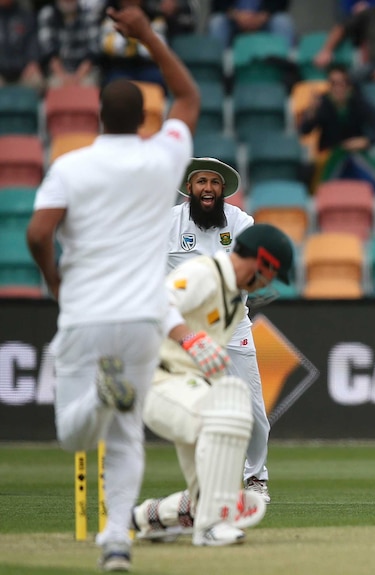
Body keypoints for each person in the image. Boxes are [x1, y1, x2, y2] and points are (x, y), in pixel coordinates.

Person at [25, 5, 199, 571]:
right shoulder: (161, 156)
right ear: (144, 118)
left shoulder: (71, 166)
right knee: (126, 437)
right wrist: (147, 35)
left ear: (98, 116)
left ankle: (100, 397)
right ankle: (116, 542)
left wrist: (55, 279)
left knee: (75, 437)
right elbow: (189, 97)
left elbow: (37, 233)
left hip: (85, 312)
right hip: (145, 318)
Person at [135, 223, 294, 545]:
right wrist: (188, 338)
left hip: (187, 389)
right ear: (261, 260)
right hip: (157, 380)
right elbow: (154, 302)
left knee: (233, 405)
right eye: (270, 273)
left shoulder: (234, 302)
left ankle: (150, 516)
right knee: (224, 415)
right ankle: (211, 527)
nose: (268, 283)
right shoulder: (204, 273)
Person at [166, 157, 274, 504]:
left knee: (253, 410)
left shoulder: (242, 222)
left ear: (223, 188)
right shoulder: (166, 224)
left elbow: (253, 270)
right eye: (201, 182)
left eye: (214, 182)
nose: (208, 189)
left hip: (231, 324)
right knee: (195, 412)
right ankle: (206, 487)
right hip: (184, 330)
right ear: (190, 188)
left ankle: (256, 477)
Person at [299, 63, 375, 194]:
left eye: (341, 83)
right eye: (333, 83)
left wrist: (365, 141)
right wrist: (310, 114)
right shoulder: (322, 103)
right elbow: (304, 131)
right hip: (329, 156)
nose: (337, 88)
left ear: (349, 86)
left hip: (355, 155)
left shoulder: (359, 103)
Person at [99, 0, 168, 88]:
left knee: (156, 79)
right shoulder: (110, 17)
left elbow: (160, 47)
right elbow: (108, 47)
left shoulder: (154, 16)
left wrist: (142, 32)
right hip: (120, 67)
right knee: (117, 84)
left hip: (148, 66)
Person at [37, 0, 101, 88]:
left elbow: (93, 51)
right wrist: (63, 77)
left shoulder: (90, 15)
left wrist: (77, 77)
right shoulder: (47, 14)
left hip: (85, 72)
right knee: (55, 85)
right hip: (57, 71)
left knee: (88, 85)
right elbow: (48, 51)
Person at [208, 0, 293, 51]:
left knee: (282, 22)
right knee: (217, 22)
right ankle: (216, 69)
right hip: (233, 21)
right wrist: (236, 15)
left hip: (264, 20)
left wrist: (262, 16)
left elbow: (281, 3)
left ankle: (286, 69)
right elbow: (218, 3)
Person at [0, 0, 45, 90]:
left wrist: (33, 62)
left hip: (23, 70)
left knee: (37, 82)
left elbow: (33, 43)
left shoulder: (26, 15)